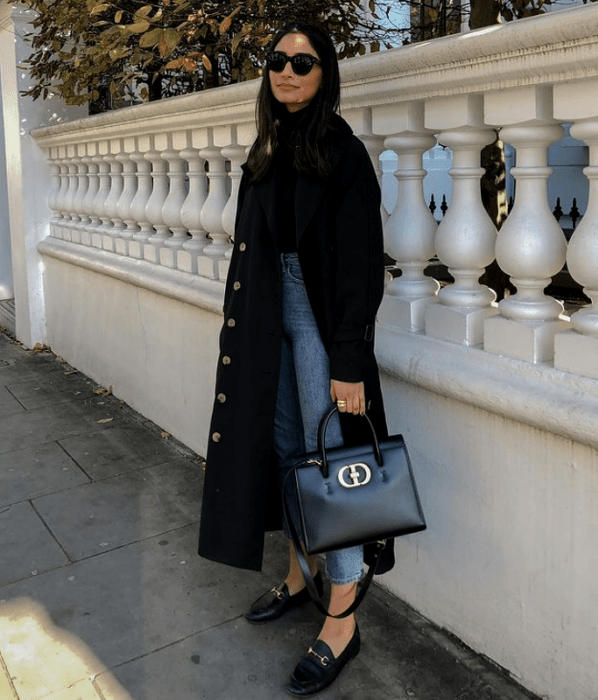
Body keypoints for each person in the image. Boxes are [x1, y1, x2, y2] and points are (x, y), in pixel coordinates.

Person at [198, 20, 393, 696]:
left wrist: (347, 362)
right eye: (276, 60)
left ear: (323, 73)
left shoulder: (340, 151)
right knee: (283, 446)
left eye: (301, 62)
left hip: (316, 316)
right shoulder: (267, 147)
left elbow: (362, 265)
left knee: (331, 461)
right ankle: (297, 571)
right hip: (264, 315)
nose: (286, 71)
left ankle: (341, 618)